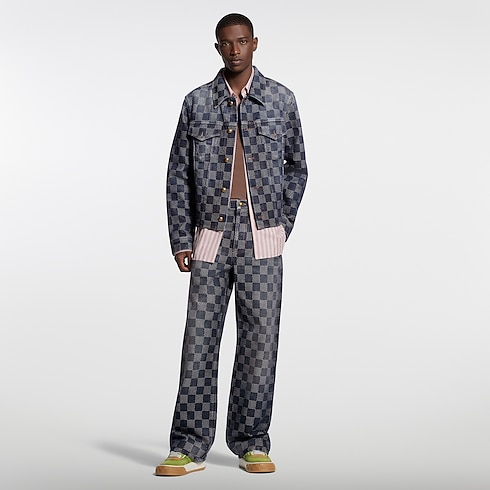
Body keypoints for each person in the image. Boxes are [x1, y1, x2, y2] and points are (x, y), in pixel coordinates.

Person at [155, 12, 308, 476]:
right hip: (210, 234)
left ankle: (251, 442)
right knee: (198, 341)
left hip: (263, 236)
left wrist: (281, 224)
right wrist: (181, 238)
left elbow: (298, 167)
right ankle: (188, 445)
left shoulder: (281, 99)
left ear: (254, 43)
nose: (235, 49)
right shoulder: (197, 102)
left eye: (242, 41)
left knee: (260, 342)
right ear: (218, 47)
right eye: (226, 43)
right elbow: (177, 175)